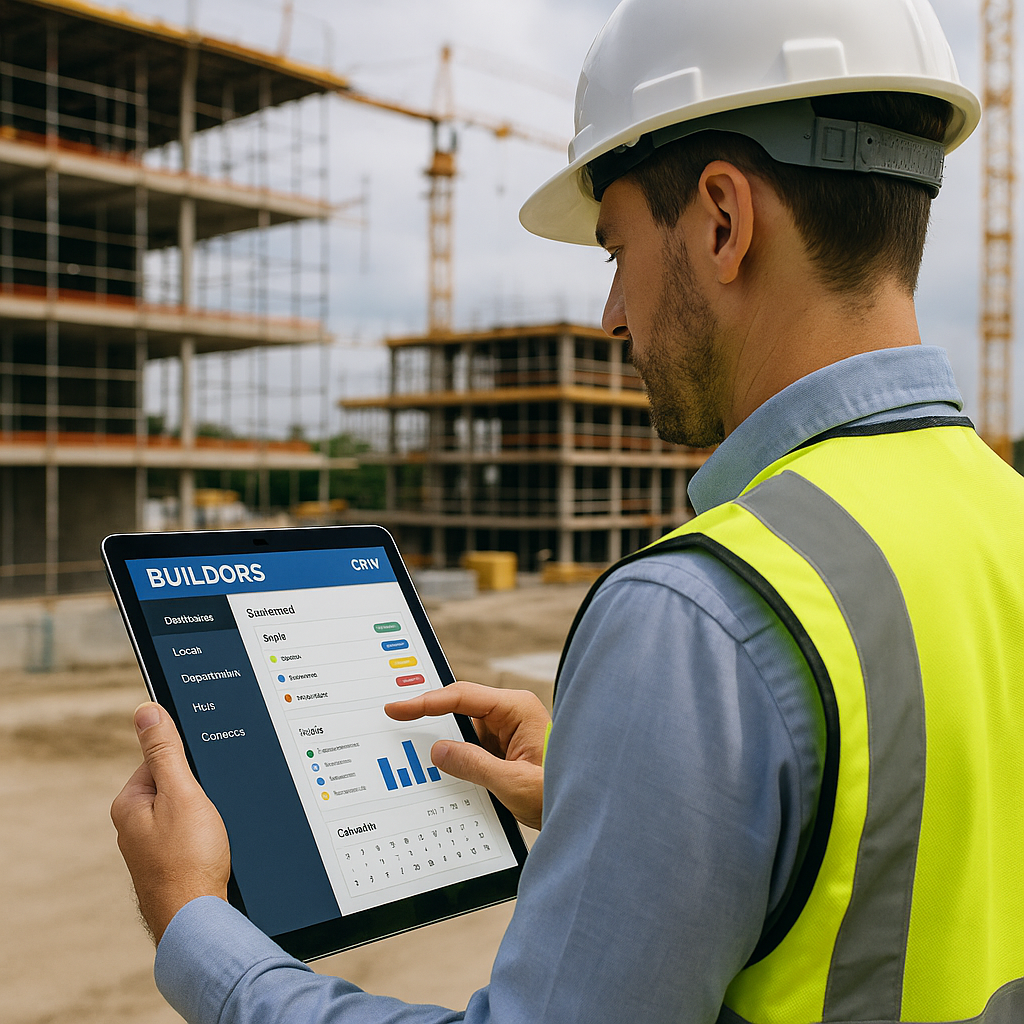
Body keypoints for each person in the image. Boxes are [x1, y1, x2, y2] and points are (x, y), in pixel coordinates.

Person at [112, 0, 1024, 1021]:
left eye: (614, 249)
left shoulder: (703, 617)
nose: (613, 314)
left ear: (722, 221)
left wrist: (196, 925)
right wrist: (635, 796)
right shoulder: (1004, 518)